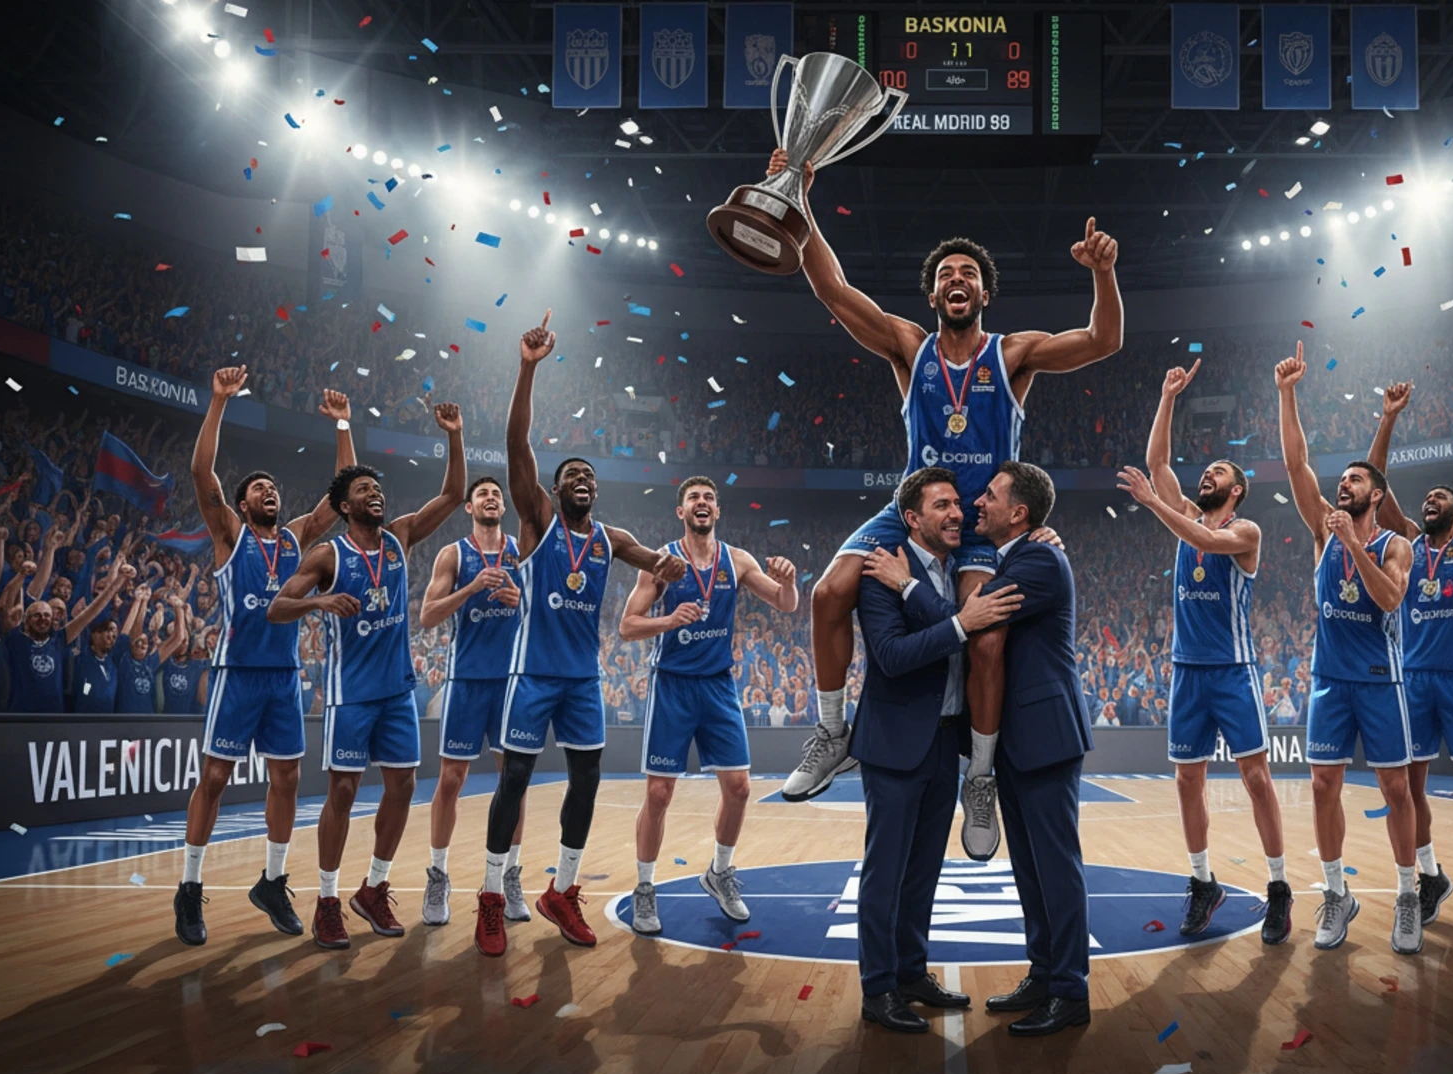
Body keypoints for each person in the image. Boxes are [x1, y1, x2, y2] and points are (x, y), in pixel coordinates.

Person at [767, 150, 1122, 868]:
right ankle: (833, 732)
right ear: (932, 292)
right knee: (829, 591)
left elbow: (1103, 341)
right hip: (912, 511)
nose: (957, 280)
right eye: (946, 274)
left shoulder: (1013, 354)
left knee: (985, 641)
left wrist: (1103, 274)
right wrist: (798, 198)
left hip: (981, 522)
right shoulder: (910, 347)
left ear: (985, 290)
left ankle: (979, 777)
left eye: (969, 273)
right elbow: (833, 289)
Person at [475, 313, 686, 958]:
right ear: (554, 489)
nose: (583, 480)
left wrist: (669, 569)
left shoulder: (610, 538)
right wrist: (527, 368)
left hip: (582, 680)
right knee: (514, 781)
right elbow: (516, 444)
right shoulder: (538, 521)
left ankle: (562, 890)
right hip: (532, 674)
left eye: (590, 475)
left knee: (587, 780)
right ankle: (491, 894)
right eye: (572, 474)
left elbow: (657, 561)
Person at [268, 403, 464, 948]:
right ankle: (327, 900)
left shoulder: (400, 537)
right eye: (363, 489)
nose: (375, 493)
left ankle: (373, 888)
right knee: (344, 791)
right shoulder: (327, 554)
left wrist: (454, 435)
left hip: (397, 691)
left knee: (403, 786)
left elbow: (453, 495)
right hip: (350, 695)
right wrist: (320, 601)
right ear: (344, 505)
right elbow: (277, 607)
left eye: (377, 488)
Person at [173, 367, 354, 947]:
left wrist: (342, 425)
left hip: (283, 677)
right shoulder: (230, 533)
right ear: (242, 503)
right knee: (215, 777)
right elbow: (201, 472)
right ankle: (189, 886)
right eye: (258, 487)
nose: (268, 491)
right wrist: (218, 401)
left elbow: (343, 496)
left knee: (288, 778)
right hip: (237, 673)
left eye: (273, 487)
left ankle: (273, 882)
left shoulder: (298, 538)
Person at [1115, 360, 1292, 945]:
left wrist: (1153, 505)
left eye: (1218, 471)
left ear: (1235, 489)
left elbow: (1202, 538)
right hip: (1187, 671)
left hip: (1234, 672)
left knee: (1257, 778)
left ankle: (1278, 886)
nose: (1207, 474)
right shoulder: (1188, 513)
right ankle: (1202, 882)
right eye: (1208, 469)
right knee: (1186, 781)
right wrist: (1168, 396)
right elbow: (1158, 465)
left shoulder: (1245, 533)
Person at [851, 467, 1023, 1033]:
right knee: (886, 872)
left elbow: (974, 630)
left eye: (957, 504)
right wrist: (958, 623)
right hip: (895, 743)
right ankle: (878, 988)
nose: (956, 513)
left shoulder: (956, 573)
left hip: (944, 740)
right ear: (912, 518)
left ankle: (910, 972)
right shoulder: (881, 570)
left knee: (924, 870)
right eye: (942, 505)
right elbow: (893, 656)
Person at [1273, 345, 1421, 955]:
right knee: (1322, 787)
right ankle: (1337, 893)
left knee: (1396, 791)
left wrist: (1353, 545)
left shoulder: (1395, 545)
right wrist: (1287, 393)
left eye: (1356, 479)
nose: (1344, 484)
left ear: (1377, 495)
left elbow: (1389, 599)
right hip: (1331, 679)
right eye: (1343, 480)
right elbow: (1296, 463)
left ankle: (1408, 894)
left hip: (1380, 680)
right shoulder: (1322, 529)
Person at [616, 477, 800, 935]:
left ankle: (719, 872)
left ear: (717, 511)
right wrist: (668, 620)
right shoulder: (661, 562)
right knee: (659, 794)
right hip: (673, 685)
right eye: (693, 498)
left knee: (739, 788)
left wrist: (789, 582)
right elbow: (627, 626)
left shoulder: (737, 560)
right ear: (681, 512)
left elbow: (785, 604)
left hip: (718, 685)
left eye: (709, 498)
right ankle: (644, 888)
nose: (702, 503)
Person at [1364, 379, 1453, 932]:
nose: (1430, 501)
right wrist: (1388, 418)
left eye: (1440, 497)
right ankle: (1429, 875)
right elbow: (1375, 482)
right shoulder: (1405, 540)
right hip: (1413, 679)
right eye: (1426, 498)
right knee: (1410, 786)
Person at [966, 462, 1094, 1037]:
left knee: (1056, 868)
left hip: (1045, 735)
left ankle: (1069, 991)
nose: (978, 501)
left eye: (990, 495)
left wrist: (905, 585)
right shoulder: (1020, 557)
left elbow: (970, 616)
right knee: (1030, 869)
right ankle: (1044, 975)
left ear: (1019, 513)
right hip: (1022, 738)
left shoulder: (1038, 560)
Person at [415, 476, 529, 928]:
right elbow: (427, 615)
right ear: (469, 507)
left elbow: (547, 611)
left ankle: (508, 876)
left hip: (511, 683)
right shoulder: (454, 554)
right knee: (450, 780)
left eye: (497, 494)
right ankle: (438, 875)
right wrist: (472, 588)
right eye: (482, 494)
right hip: (465, 682)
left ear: (504, 506)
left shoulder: (523, 551)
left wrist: (521, 600)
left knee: (514, 782)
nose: (491, 498)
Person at [0, 542, 133, 712]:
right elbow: (5, 610)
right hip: (21, 718)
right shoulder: (17, 640)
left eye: (47, 615)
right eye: (37, 615)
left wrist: (119, 581)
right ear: (27, 620)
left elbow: (92, 611)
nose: (43, 618)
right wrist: (21, 576)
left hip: (54, 719)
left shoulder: (58, 640)